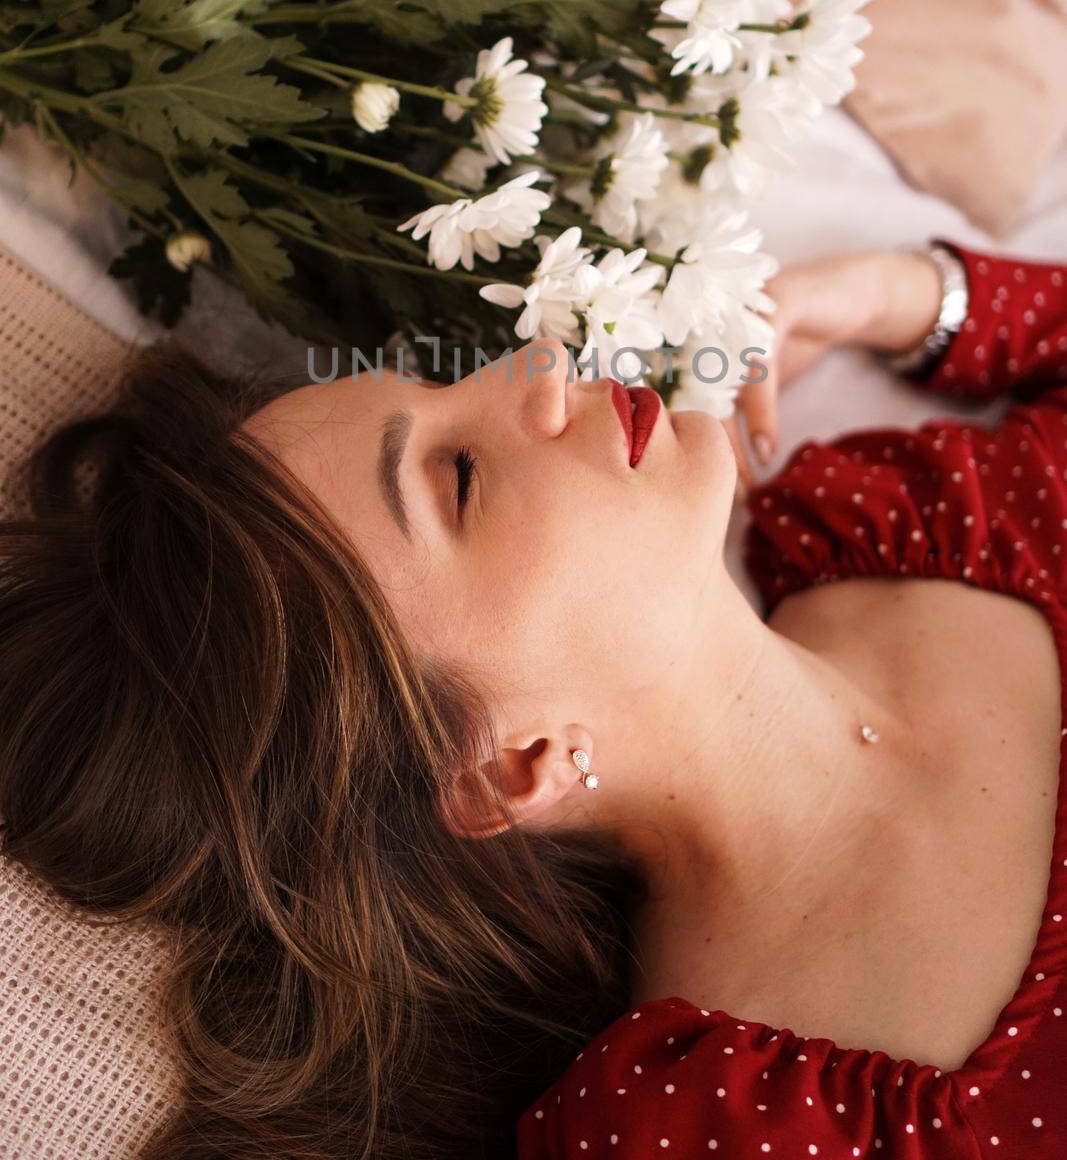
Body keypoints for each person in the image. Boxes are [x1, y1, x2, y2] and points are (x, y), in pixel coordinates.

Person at [0, 237, 1064, 1158]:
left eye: (435, 381)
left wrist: (910, 296)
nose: (539, 361)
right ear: (512, 763)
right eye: (457, 474)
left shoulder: (900, 510)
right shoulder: (714, 1122)